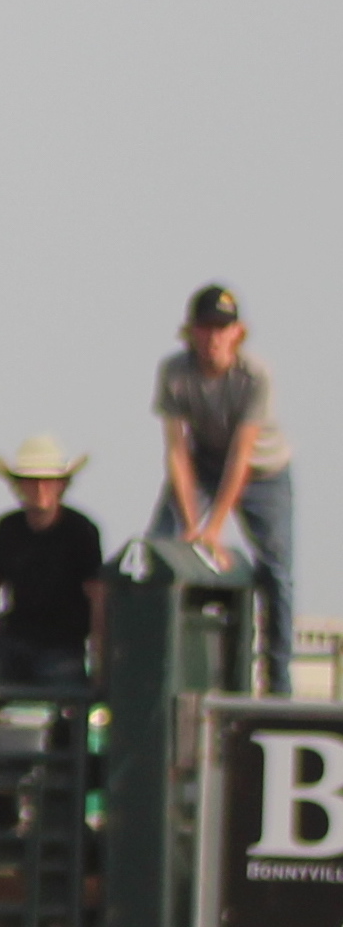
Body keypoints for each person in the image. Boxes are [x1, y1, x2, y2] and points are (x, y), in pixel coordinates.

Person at [150, 284, 294, 695]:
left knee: (277, 567)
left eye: (221, 328)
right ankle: (156, 666)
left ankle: (278, 681)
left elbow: (242, 457)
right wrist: (192, 527)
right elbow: (176, 452)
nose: (213, 337)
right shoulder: (175, 372)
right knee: (159, 550)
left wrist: (214, 531)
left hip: (263, 470)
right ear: (191, 332)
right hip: (202, 464)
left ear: (237, 334)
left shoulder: (254, 376)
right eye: (205, 328)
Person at [0, 433, 107, 689]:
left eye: (48, 482)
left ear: (62, 485)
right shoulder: (6, 528)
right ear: (18, 486)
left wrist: (100, 662)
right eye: (31, 482)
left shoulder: (81, 531)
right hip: (13, 641)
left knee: (67, 712)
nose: (40, 489)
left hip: (63, 647)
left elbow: (97, 599)